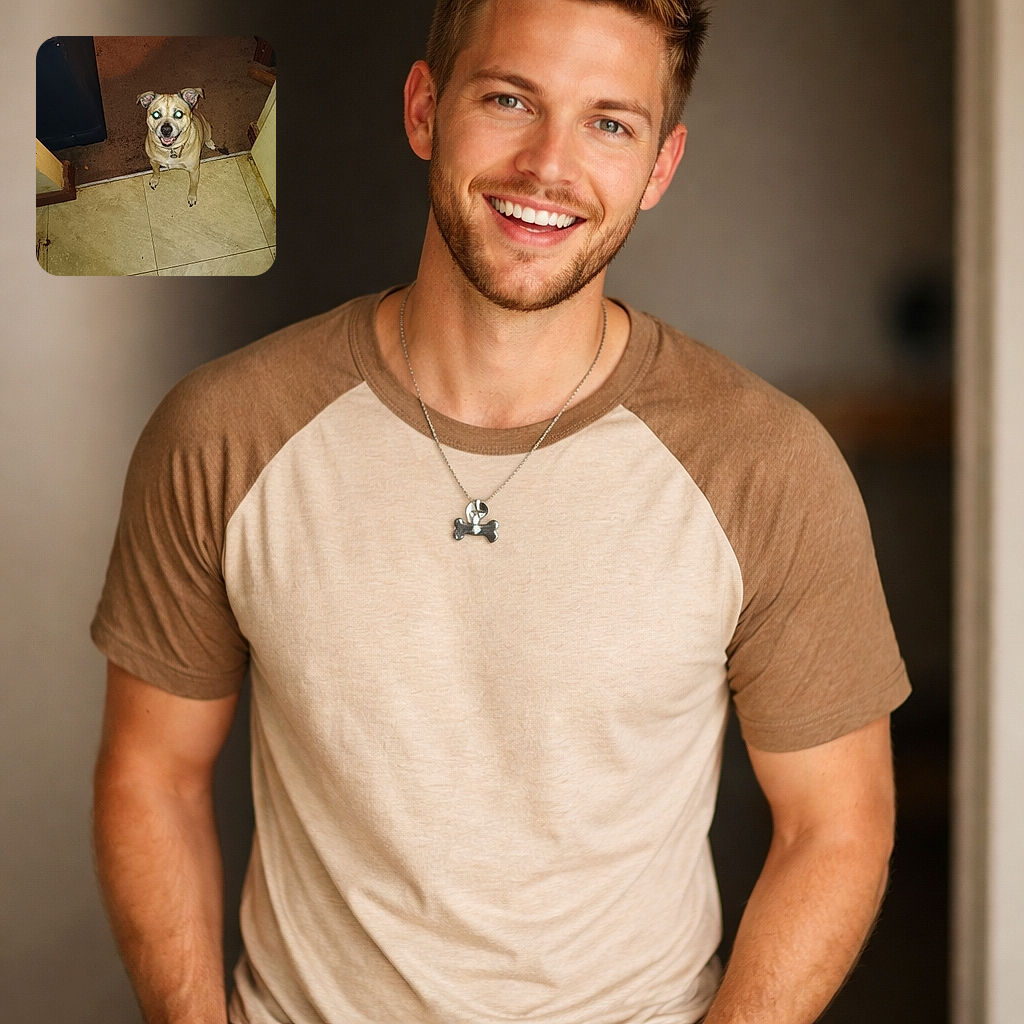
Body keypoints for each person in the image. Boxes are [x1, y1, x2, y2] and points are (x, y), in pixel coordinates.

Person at [91, 1, 911, 1022]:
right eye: (509, 98)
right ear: (425, 108)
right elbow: (152, 776)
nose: (546, 166)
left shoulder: (766, 466)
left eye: (610, 122)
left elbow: (835, 825)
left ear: (660, 165)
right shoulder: (226, 430)